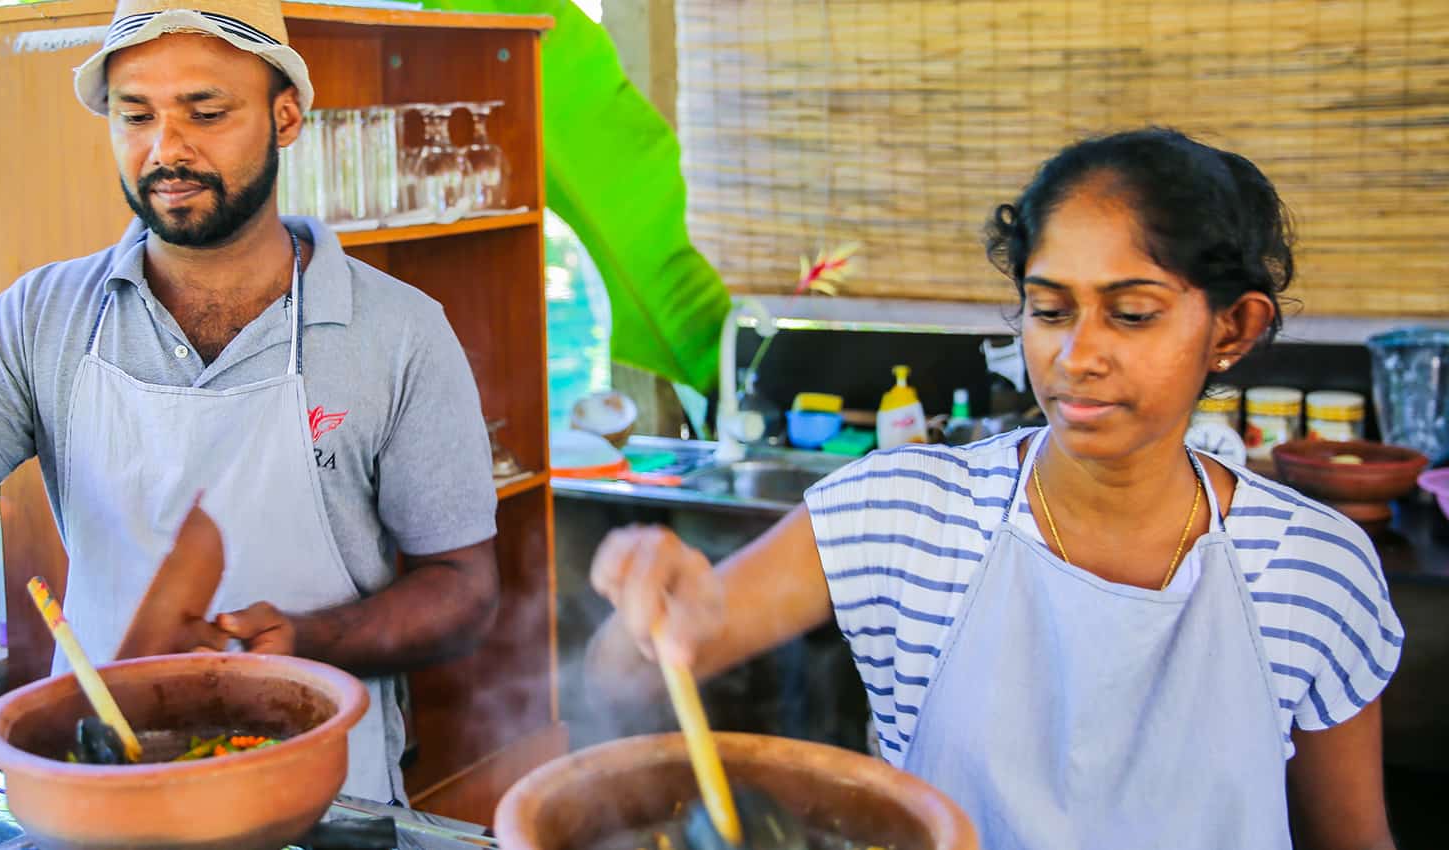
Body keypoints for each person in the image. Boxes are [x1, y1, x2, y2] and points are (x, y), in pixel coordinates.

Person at [586, 128, 1401, 850]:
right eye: (1050, 310)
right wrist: (648, 603)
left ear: (1233, 327)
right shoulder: (904, 514)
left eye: (1132, 314)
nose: (1077, 354)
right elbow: (626, 674)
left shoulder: (1311, 567)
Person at [0, 0, 500, 804]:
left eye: (206, 111)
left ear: (285, 116)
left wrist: (310, 641)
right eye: (135, 114)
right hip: (104, 786)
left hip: (325, 792)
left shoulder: (398, 333)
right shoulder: (42, 315)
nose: (166, 148)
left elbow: (463, 588)